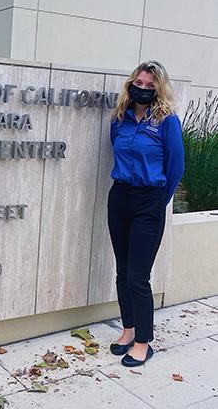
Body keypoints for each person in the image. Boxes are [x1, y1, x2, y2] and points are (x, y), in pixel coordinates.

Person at [107, 60, 185, 367]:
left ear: (159, 89)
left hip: (149, 201)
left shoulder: (166, 121)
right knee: (122, 271)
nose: (141, 90)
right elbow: (117, 148)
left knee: (138, 277)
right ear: (130, 84)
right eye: (137, 84)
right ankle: (128, 330)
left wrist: (156, 202)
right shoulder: (120, 119)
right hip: (120, 196)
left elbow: (175, 166)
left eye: (149, 86)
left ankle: (143, 341)